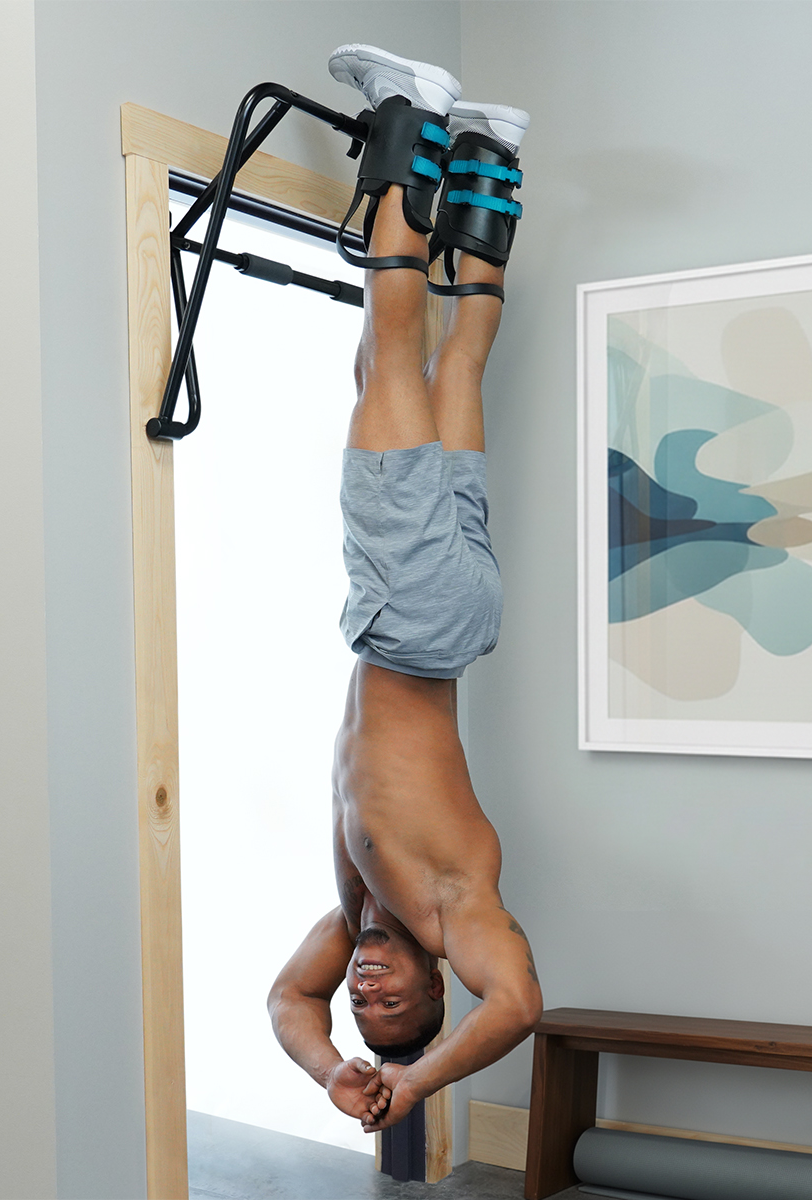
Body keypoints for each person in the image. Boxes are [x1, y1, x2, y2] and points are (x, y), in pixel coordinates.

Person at [267, 45, 542, 1135]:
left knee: (446, 375)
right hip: (418, 620)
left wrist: (336, 1066)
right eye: (394, 1010)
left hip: (451, 617)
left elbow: (285, 1000)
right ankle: (410, 114)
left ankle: (490, 154)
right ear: (441, 984)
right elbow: (520, 1004)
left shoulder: (358, 913)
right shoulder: (450, 905)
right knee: (391, 361)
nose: (366, 993)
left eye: (361, 1007)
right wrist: (419, 1083)